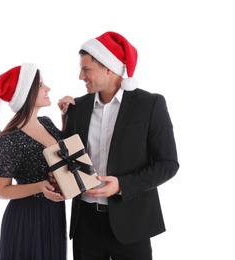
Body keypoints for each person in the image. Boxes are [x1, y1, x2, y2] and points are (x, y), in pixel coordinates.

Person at [58, 31, 180, 260]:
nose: (80, 76)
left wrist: (122, 185)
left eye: (86, 69)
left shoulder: (150, 104)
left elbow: (168, 164)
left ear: (108, 68)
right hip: (85, 224)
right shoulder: (78, 107)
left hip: (132, 223)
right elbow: (68, 160)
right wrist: (65, 121)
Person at [0, 63, 67, 260]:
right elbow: (2, 190)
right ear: (27, 93)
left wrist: (65, 117)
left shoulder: (46, 122)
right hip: (28, 218)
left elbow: (62, 154)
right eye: (41, 85)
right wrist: (39, 187)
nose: (47, 89)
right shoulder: (8, 138)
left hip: (53, 213)